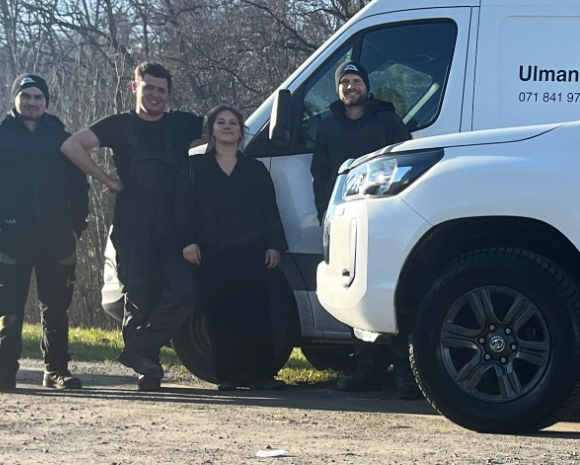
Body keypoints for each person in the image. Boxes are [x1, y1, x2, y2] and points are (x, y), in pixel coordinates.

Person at [61, 62, 202, 392]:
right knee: (139, 292)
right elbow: (71, 146)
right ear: (134, 87)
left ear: (169, 95)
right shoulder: (119, 125)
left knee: (185, 290)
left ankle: (139, 348)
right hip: (132, 223)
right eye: (149, 87)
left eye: (161, 90)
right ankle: (146, 367)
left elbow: (226, 125)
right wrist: (107, 179)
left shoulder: (182, 123)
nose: (155, 95)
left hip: (173, 224)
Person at [310, 61, 418, 398]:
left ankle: (405, 371)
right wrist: (323, 213)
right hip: (345, 221)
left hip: (387, 219)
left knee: (393, 290)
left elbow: (409, 161)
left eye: (356, 81)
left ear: (366, 87)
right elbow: (319, 173)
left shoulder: (387, 120)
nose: (351, 87)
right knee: (355, 292)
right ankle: (367, 367)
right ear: (338, 89)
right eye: (345, 82)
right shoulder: (327, 125)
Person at [0, 74, 89, 391]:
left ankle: (56, 371)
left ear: (46, 102)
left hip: (57, 238)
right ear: (15, 100)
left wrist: (77, 226)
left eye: (38, 97)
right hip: (11, 237)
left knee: (56, 308)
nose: (32, 102)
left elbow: (80, 186)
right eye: (25, 96)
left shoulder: (63, 138)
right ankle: (4, 371)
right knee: (10, 308)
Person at [176, 105, 289, 391]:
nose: (227, 127)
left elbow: (269, 210)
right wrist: (186, 241)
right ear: (211, 130)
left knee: (255, 314)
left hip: (252, 253)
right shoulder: (195, 167)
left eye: (233, 123)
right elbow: (184, 209)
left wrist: (275, 246)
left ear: (241, 132)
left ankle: (261, 375)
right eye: (220, 123)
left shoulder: (255, 168)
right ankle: (227, 376)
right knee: (219, 314)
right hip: (211, 253)